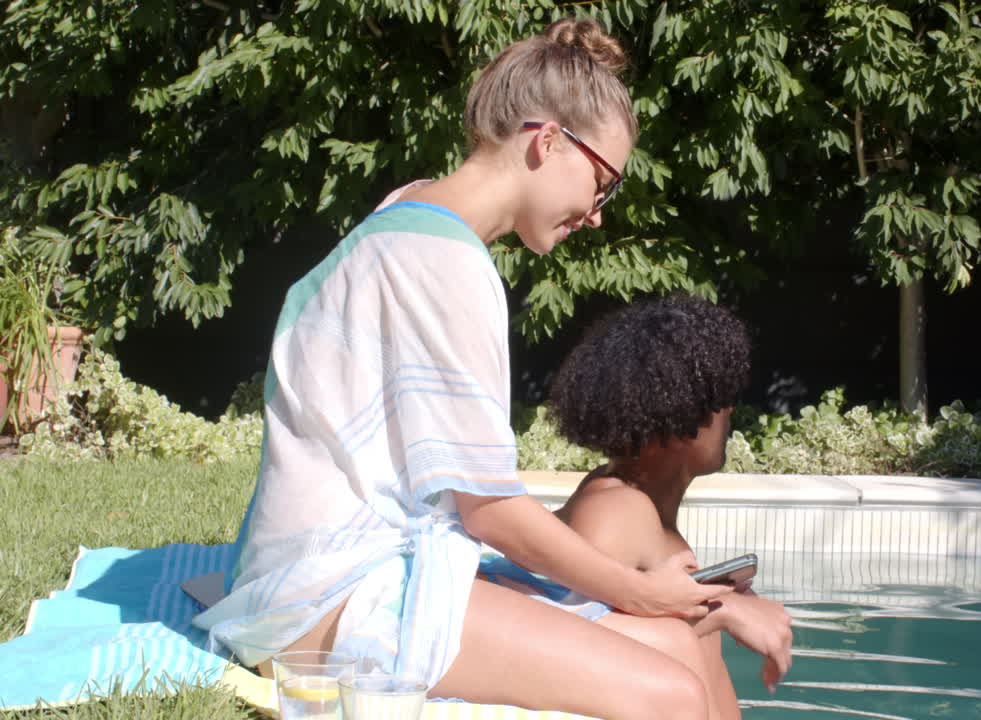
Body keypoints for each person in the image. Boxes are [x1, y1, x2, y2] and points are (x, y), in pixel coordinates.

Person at [192, 18, 732, 720]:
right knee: (673, 695)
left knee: (682, 648)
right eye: (604, 185)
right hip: (327, 596)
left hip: (320, 574)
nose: (598, 215)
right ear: (548, 142)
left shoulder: (409, 211)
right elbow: (491, 512)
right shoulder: (445, 263)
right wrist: (635, 591)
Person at [542, 294, 794, 720]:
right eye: (718, 400)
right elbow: (563, 654)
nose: (730, 410)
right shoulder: (617, 510)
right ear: (677, 418)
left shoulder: (642, 507)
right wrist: (722, 613)